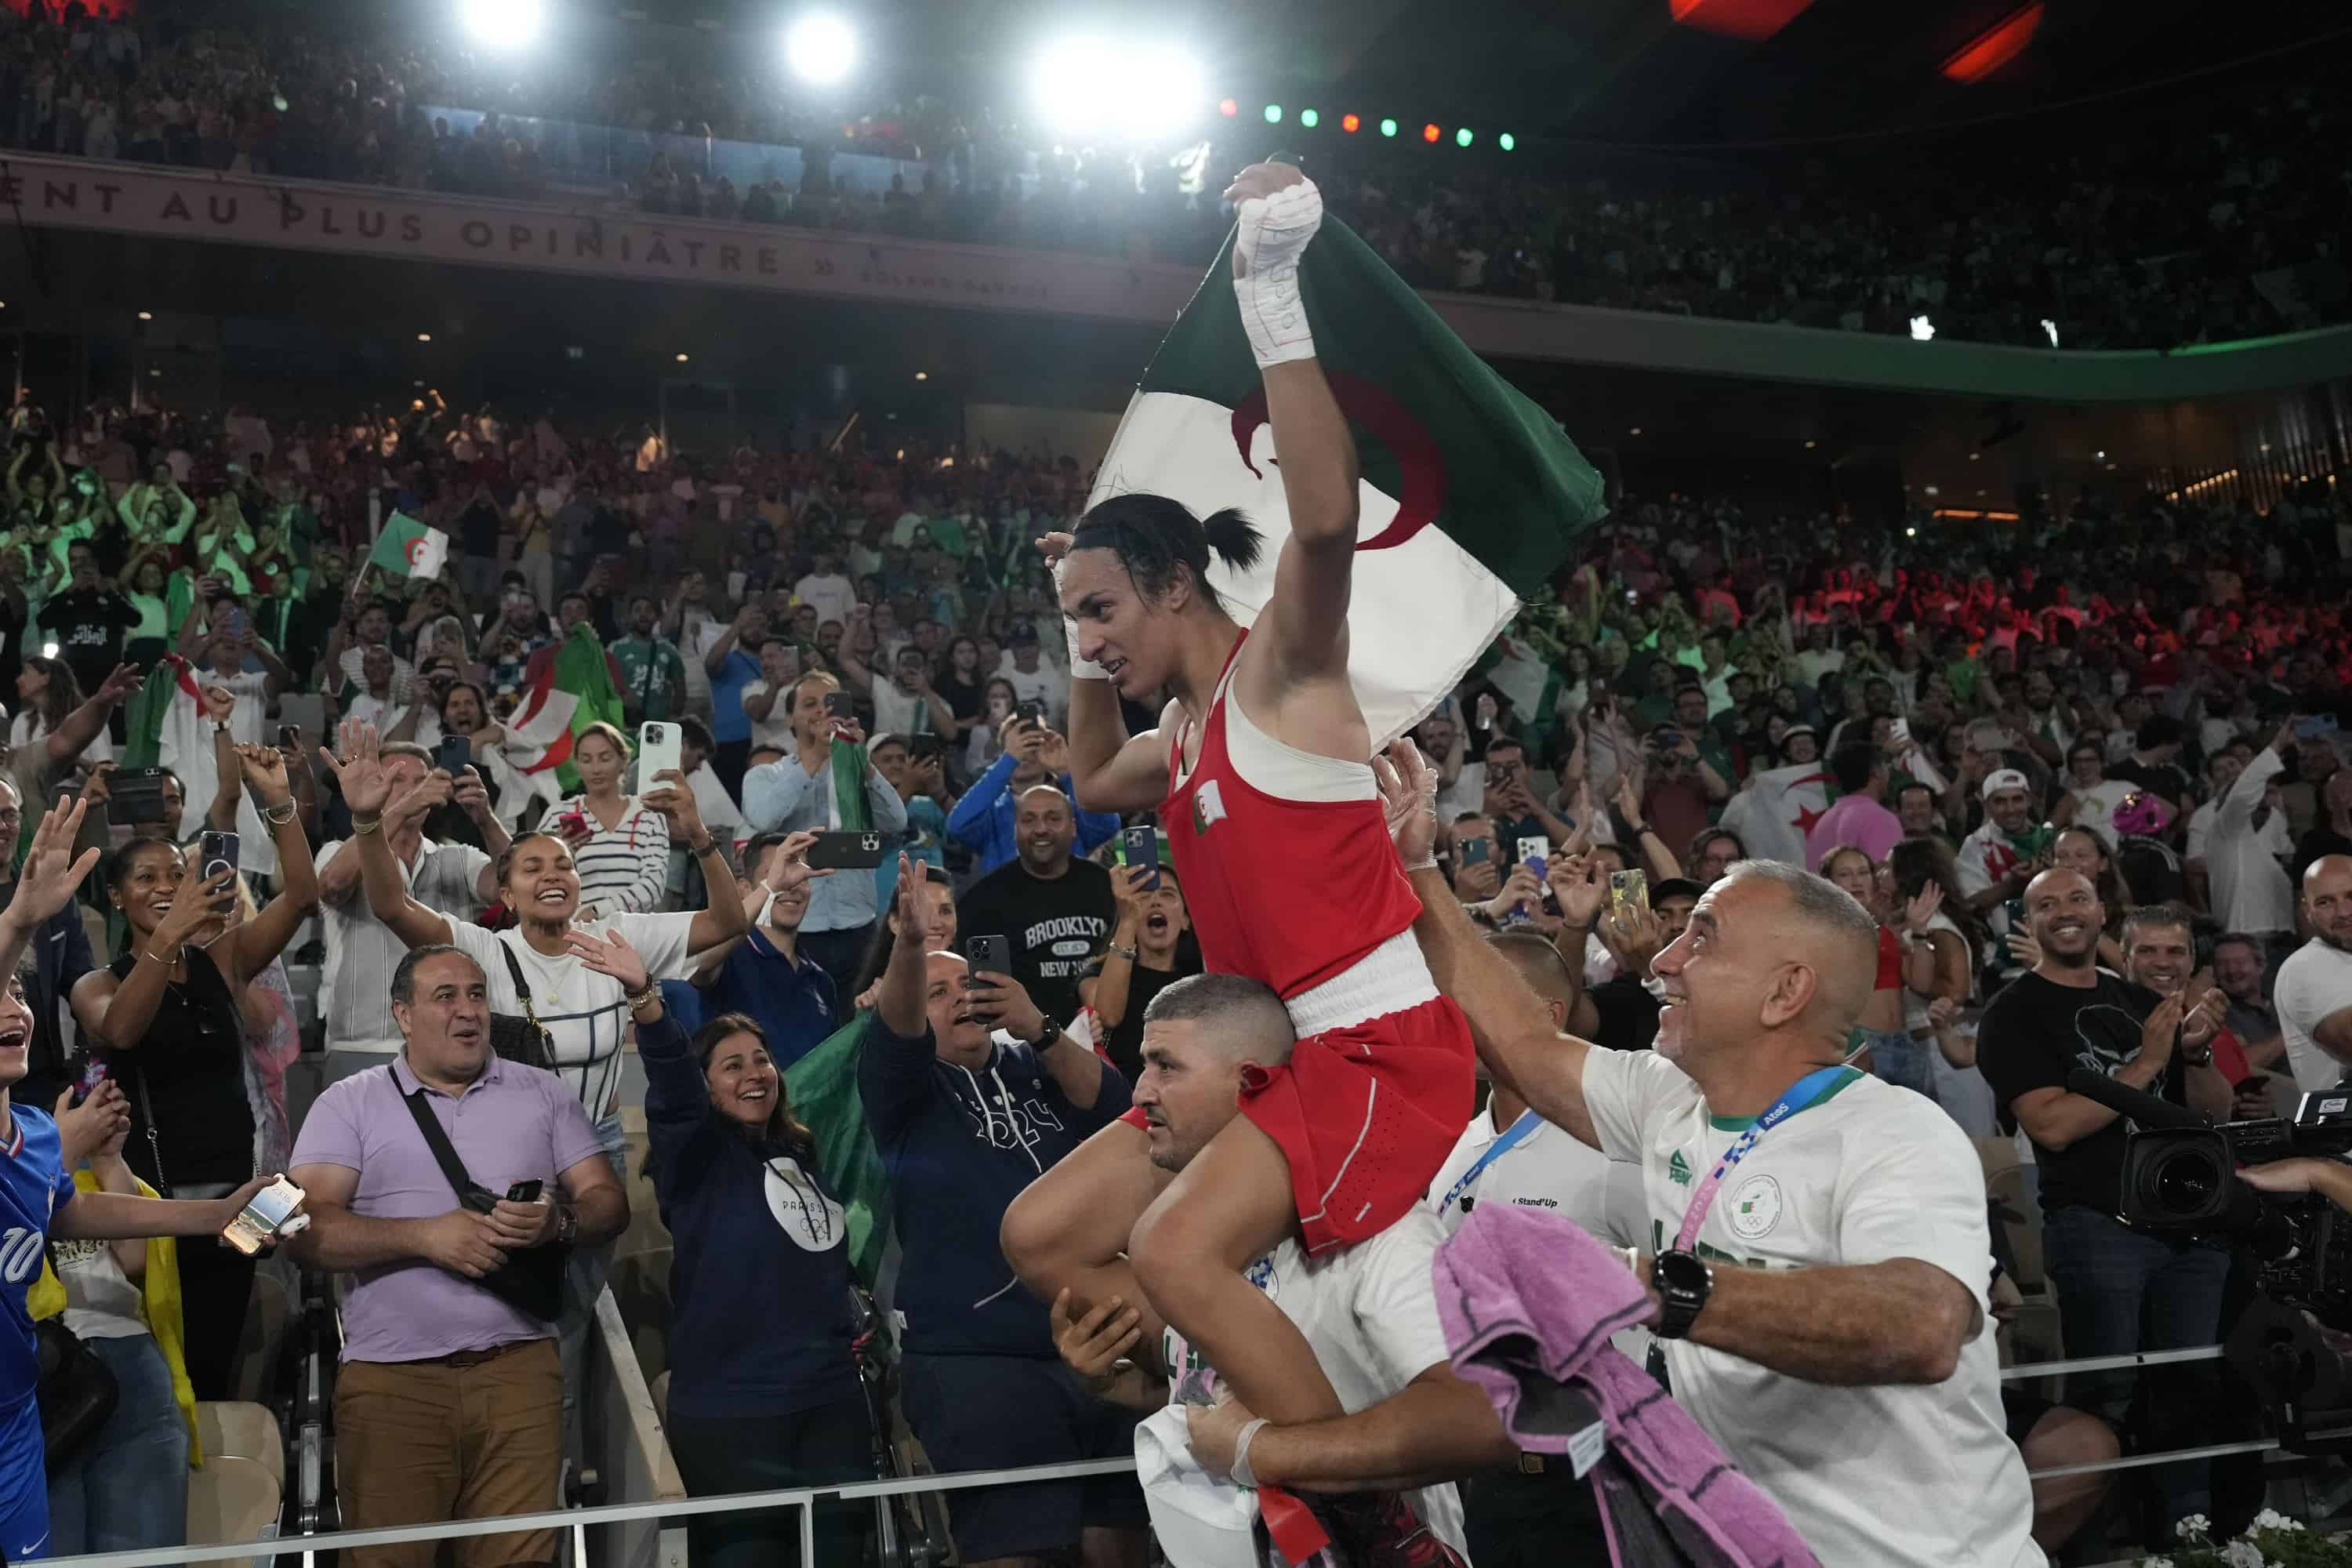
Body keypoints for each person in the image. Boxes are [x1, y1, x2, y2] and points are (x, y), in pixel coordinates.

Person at [1009, 162, 1483, 1565]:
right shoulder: (1187, 735)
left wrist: (1272, 285)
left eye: (1105, 614)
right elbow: (1091, 777)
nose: (1090, 645)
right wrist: (1065, 613)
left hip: (1374, 1045)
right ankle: (1229, 1372)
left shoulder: (1280, 675)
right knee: (1045, 1236)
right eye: (1074, 629)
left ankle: (1370, 1515)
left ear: (1173, 584)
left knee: (1163, 1251)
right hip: (1268, 1054)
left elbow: (1327, 521)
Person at [1332, 739, 2045, 1566]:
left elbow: (1925, 1323)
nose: (1664, 957)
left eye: (1701, 939)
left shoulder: (1895, 1131)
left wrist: (1646, 1284)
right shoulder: (1669, 1104)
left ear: (1786, 991)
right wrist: (1416, 866)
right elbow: (1524, 1036)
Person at [1054, 975, 1480, 1563]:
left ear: (1253, 1082)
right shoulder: (1200, 1235)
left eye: (1166, 1066)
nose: (1140, 1092)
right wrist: (1123, 1385)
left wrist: (1268, 1451)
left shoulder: (1380, 1229)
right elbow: (1225, 1410)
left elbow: (1478, 1420)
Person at [286, 945, 629, 1568]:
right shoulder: (349, 1102)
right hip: (394, 1383)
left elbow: (609, 1202)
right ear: (404, 1015)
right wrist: (422, 1237)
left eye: (476, 995)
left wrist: (560, 1221)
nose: (468, 1011)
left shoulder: (544, 1094)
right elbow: (306, 1231)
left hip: (519, 1371)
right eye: (446, 997)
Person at [864, 860, 1142, 1568]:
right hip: (977, 1360)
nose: (960, 998)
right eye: (938, 992)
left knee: (1120, 1542)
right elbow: (898, 1029)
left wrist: (1039, 1028)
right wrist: (907, 946)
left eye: (968, 983)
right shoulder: (905, 1089)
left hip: (1097, 1341)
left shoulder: (1032, 1067)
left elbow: (1114, 1110)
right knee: (1018, 1551)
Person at [577, 918, 871, 1568]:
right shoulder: (698, 1158)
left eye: (761, 1059)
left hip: (830, 1406)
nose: (754, 1074)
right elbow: (675, 1095)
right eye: (731, 1065)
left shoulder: (800, 1151)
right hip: (735, 1414)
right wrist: (647, 1003)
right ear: (708, 1086)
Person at [1975, 866, 2234, 1523]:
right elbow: (2053, 1126)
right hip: (2098, 1226)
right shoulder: (2013, 1014)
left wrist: (2195, 1057)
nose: (2065, 911)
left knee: (2192, 1393)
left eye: (2079, 899)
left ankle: (2192, 1541)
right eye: (2047, 904)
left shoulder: (2139, 1002)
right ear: (2026, 924)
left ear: (2100, 917)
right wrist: (2146, 1063)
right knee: (2107, 1398)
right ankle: (2100, 1540)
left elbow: (2210, 1115)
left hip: (2189, 1229)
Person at [69, 746, 319, 1400]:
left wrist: (278, 801)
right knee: (162, 1369)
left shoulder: (224, 959)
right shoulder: (96, 983)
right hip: (156, 1209)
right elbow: (122, 1029)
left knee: (220, 1363)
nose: (162, 887)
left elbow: (302, 894)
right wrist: (168, 937)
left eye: (174, 875)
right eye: (145, 879)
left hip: (242, 1200)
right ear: (117, 898)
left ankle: (221, 1494)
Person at [312, 742, 503, 1080]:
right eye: (399, 779)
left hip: (446, 1043)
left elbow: (510, 884)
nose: (413, 788)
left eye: (421, 780)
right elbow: (332, 886)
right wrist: (398, 809)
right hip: (362, 1045)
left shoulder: (457, 857)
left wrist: (487, 821)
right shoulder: (337, 851)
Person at [741, 672, 911, 989]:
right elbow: (764, 819)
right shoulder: (766, 775)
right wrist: (816, 757)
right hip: (794, 927)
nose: (822, 712)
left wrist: (862, 761)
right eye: (810, 704)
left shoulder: (858, 772)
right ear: (790, 719)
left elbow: (896, 821)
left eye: (830, 704)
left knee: (859, 1028)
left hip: (859, 926)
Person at [676, 832, 842, 1067]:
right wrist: (770, 888)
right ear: (744, 889)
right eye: (778, 875)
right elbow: (700, 963)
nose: (791, 886)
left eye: (800, 876)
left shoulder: (821, 981)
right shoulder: (728, 957)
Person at [955, 785, 1117, 1023]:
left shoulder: (1108, 887)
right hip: (1025, 1040)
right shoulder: (982, 901)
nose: (1041, 829)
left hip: (1107, 1031)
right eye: (1029, 820)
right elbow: (981, 992)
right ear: (1015, 829)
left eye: (1053, 819)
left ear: (1073, 827)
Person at [946, 713, 1121, 877]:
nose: (1026, 754)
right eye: (1019, 746)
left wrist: (1067, 772)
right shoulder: (992, 814)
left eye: (1033, 744)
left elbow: (1108, 826)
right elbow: (957, 826)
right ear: (1003, 755)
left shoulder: (1071, 808)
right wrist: (1008, 762)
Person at [1078, 863, 1199, 1081]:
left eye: (1168, 894)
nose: (1155, 901)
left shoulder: (1201, 979)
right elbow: (1107, 1016)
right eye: (1143, 896)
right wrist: (1127, 922)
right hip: (1122, 1096)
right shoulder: (1096, 973)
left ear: (1186, 920)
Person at [549, 721, 670, 919]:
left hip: (633, 932)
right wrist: (558, 856)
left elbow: (654, 883)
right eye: (586, 760)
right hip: (574, 933)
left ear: (623, 760)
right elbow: (536, 876)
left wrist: (599, 911)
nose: (595, 769)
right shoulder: (557, 814)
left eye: (605, 758)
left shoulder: (650, 815)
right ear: (577, 764)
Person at [2195, 717, 2299, 941]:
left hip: (2284, 937)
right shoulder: (2225, 831)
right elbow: (2244, 793)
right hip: (2246, 939)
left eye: (2265, 801)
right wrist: (2278, 744)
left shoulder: (2271, 833)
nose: (2263, 805)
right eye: (2256, 803)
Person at [2276, 855, 2352, 1091]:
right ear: (2306, 911)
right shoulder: (2305, 966)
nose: (2343, 912)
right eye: (2325, 902)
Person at [1803, 742, 1901, 870]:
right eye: (1886, 765)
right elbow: (1885, 880)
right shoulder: (1880, 819)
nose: (1888, 770)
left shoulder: (1822, 823)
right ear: (1876, 772)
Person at [612, 594, 689, 726]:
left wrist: (674, 716)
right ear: (629, 617)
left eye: (648, 610)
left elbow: (680, 687)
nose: (643, 614)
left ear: (656, 617)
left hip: (660, 727)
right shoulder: (615, 649)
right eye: (637, 610)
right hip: (625, 726)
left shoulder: (668, 650)